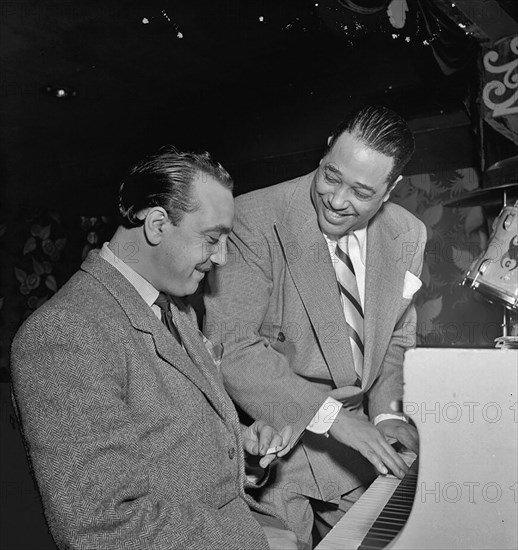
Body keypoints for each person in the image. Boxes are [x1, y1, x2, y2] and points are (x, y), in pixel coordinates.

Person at [10, 146, 298, 550]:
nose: (222, 257)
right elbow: (103, 528)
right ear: (158, 224)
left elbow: (168, 444)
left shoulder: (176, 310)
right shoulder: (66, 333)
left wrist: (239, 450)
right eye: (213, 239)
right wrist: (255, 540)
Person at [204, 105, 427, 548]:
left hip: (359, 447)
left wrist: (386, 413)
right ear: (327, 150)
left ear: (391, 189)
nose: (338, 200)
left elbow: (397, 337)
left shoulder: (409, 233)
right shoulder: (252, 217)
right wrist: (333, 420)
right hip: (272, 446)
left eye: (362, 192)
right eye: (331, 176)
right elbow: (233, 347)